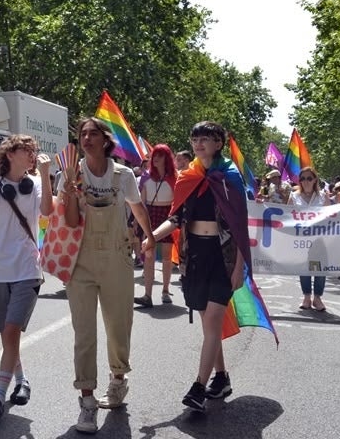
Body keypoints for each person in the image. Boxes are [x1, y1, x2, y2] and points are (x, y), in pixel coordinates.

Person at [145, 121, 250, 413]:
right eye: (194, 139)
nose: (199, 143)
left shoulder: (230, 178)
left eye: (205, 138)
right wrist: (152, 237)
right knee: (208, 324)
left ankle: (198, 388)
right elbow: (177, 218)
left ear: (219, 143)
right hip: (194, 258)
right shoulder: (187, 177)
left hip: (223, 257)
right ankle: (222, 377)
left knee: (213, 320)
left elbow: (240, 227)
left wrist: (239, 267)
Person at [61, 118, 153, 433]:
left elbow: (137, 208)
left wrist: (149, 235)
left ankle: (117, 379)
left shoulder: (123, 174)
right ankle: (87, 402)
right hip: (81, 260)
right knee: (83, 332)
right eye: (82, 134)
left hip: (117, 257)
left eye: (92, 133)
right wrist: (71, 192)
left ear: (105, 140)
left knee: (118, 325)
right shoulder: (70, 173)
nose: (86, 138)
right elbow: (70, 222)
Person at [0, 134, 53, 419]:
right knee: (8, 339)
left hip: (27, 271)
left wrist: (44, 172)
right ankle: (21, 380)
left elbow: (48, 212)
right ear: (8, 154)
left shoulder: (37, 184)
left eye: (34, 151)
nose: (32, 154)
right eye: (26, 150)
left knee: (11, 332)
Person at [135, 144, 177, 308]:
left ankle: (165, 291)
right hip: (150, 216)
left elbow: (177, 202)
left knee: (167, 257)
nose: (156, 158)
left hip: (167, 217)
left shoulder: (174, 177)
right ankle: (147, 295)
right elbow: (142, 201)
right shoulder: (146, 176)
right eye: (154, 155)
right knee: (149, 255)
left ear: (167, 158)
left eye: (160, 155)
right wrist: (139, 221)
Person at [290, 167, 331, 311]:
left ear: (315, 180)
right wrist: (260, 204)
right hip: (301, 238)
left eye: (309, 178)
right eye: (302, 179)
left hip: (319, 238)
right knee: (304, 268)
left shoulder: (323, 197)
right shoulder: (294, 196)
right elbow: (285, 215)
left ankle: (317, 298)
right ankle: (306, 297)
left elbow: (332, 216)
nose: (305, 182)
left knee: (320, 269)